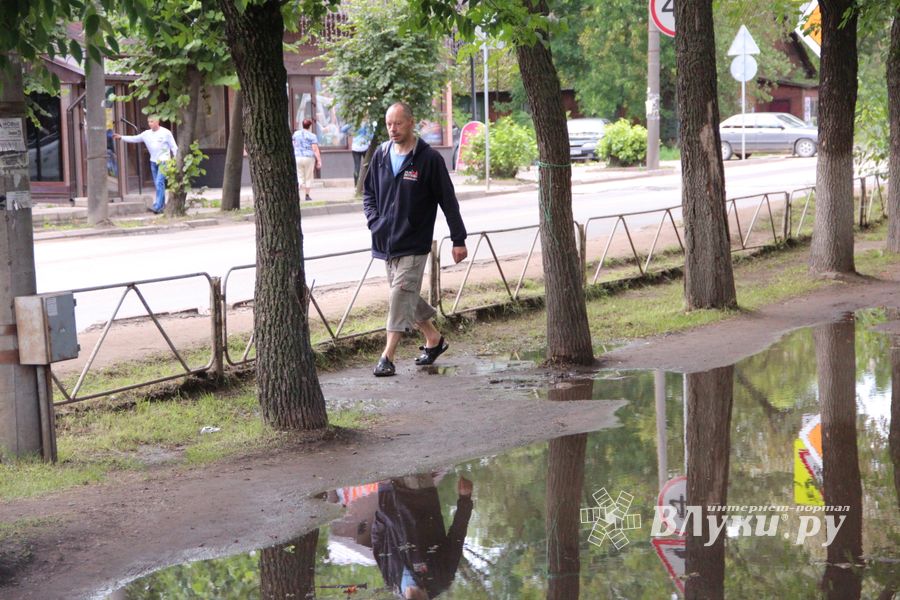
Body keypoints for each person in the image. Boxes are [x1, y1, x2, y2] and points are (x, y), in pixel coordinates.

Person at [363, 102, 468, 377]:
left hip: (415, 241)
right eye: (388, 124)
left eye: (397, 123)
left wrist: (459, 239)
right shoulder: (381, 155)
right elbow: (369, 194)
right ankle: (434, 339)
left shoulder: (429, 159)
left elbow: (448, 201)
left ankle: (388, 355)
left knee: (399, 295)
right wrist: (375, 222)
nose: (392, 129)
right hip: (386, 242)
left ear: (411, 123)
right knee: (406, 294)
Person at [371, 475, 473, 599]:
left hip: (387, 492)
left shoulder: (392, 583)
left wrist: (382, 515)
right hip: (418, 490)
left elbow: (378, 544)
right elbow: (457, 535)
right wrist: (465, 499)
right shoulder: (442, 579)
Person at [113, 116, 177, 214]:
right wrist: (121, 137)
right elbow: (135, 138)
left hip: (164, 161)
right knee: (158, 184)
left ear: (157, 122)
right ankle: (162, 207)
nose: (150, 123)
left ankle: (157, 206)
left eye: (152, 121)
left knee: (159, 182)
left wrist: (176, 161)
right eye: (148, 122)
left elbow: (174, 147)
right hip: (153, 161)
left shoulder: (166, 133)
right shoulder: (146, 134)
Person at [292, 118, 322, 202]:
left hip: (297, 157)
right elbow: (315, 149)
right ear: (310, 126)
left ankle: (296, 195)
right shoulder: (312, 136)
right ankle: (307, 195)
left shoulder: (296, 134)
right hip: (308, 158)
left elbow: (293, 145)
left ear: (302, 124)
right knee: (308, 176)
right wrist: (319, 160)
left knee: (299, 176)